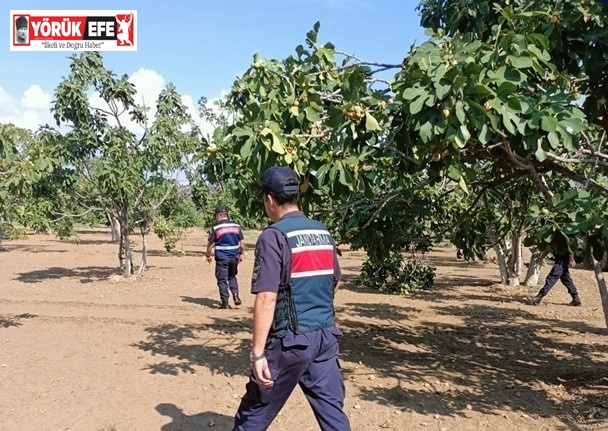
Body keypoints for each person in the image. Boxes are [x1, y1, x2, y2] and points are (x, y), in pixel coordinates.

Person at [233, 166, 351, 431]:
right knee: (333, 414)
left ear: (269, 199)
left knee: (252, 415)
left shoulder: (273, 236)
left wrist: (257, 354)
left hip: (290, 343)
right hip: (325, 338)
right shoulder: (322, 231)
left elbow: (266, 298)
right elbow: (336, 280)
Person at [206, 205, 245, 309]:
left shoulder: (216, 227)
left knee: (222, 279)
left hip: (222, 257)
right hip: (234, 256)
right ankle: (236, 296)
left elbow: (210, 244)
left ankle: (225, 302)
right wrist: (242, 253)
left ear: (218, 215)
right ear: (227, 214)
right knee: (232, 276)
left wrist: (208, 255)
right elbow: (242, 243)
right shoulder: (236, 226)